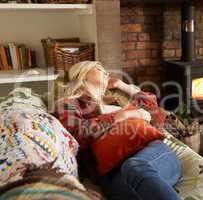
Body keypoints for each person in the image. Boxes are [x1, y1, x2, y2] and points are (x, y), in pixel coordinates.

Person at [54, 61, 181, 200]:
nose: (106, 73)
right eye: (99, 69)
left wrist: (122, 85)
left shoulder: (116, 100)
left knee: (134, 166)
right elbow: (78, 134)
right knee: (135, 175)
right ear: (83, 75)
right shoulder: (69, 104)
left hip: (153, 155)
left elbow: (154, 112)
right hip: (113, 175)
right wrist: (124, 115)